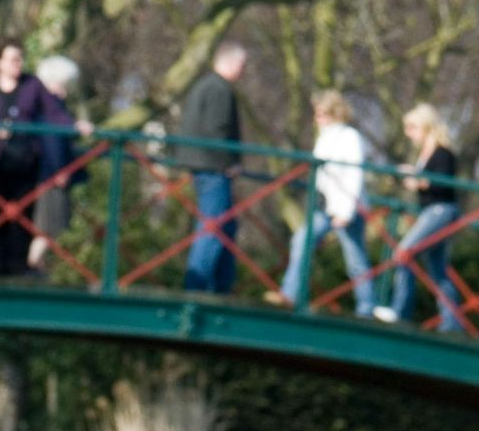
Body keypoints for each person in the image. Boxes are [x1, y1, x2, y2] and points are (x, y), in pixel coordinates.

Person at [273, 90, 374, 315]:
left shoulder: (349, 137)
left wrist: (346, 212)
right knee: (302, 240)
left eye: (322, 114)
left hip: (347, 206)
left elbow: (354, 175)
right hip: (325, 205)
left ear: (335, 113)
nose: (317, 119)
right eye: (317, 114)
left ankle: (367, 307)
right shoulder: (325, 137)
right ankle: (289, 294)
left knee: (355, 259)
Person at [374, 104, 462, 331]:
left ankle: (400, 312)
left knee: (404, 253)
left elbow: (442, 183)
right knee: (437, 270)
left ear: (426, 126)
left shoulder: (443, 152)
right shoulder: (426, 152)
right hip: (432, 210)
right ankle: (452, 323)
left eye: (412, 127)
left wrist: (417, 181)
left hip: (440, 211)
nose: (408, 133)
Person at [0, 37, 48, 277]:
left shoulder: (32, 85)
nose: (17, 63)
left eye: (19, 59)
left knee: (25, 211)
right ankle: (1, 265)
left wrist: (76, 125)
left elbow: (52, 112)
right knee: (1, 210)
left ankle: (20, 265)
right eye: (12, 59)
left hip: (26, 159)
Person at [177, 41, 248, 293]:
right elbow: (216, 130)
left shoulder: (204, 85)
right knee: (213, 228)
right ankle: (197, 289)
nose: (243, 70)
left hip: (203, 164)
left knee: (225, 226)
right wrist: (230, 163)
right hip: (214, 168)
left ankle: (220, 286)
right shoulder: (219, 89)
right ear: (230, 62)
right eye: (242, 64)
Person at [27, 55, 90, 278]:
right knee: (49, 226)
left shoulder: (51, 105)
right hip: (51, 175)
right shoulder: (49, 105)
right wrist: (58, 171)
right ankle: (33, 265)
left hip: (51, 173)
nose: (65, 90)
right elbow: (52, 139)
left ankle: (37, 267)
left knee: (49, 226)